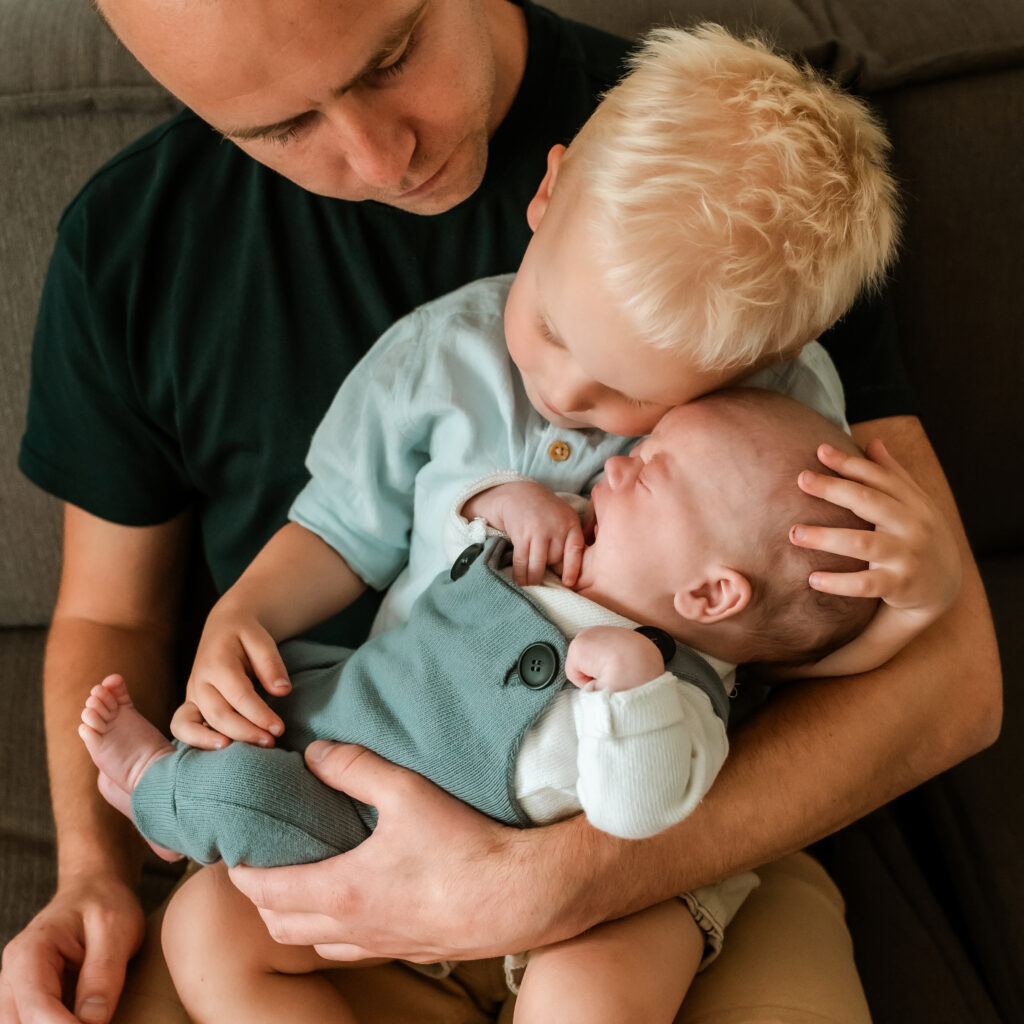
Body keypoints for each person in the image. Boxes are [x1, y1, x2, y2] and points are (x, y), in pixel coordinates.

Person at [2, 1, 998, 1023]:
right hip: (339, 831)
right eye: (279, 127)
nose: (381, 157)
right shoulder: (145, 250)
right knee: (200, 937)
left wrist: (562, 879)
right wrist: (93, 875)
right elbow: (113, 612)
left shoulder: (745, 208)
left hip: (668, 851)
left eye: (393, 57)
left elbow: (929, 669)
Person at [79, 389, 945, 1024]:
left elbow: (636, 812)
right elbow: (458, 537)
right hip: (368, 836)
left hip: (610, 901)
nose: (617, 460)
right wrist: (501, 499)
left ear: (710, 594)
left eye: (652, 472)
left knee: (594, 999)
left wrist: (635, 689)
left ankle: (170, 787)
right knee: (206, 929)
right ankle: (165, 785)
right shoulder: (562, 545)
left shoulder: (681, 698)